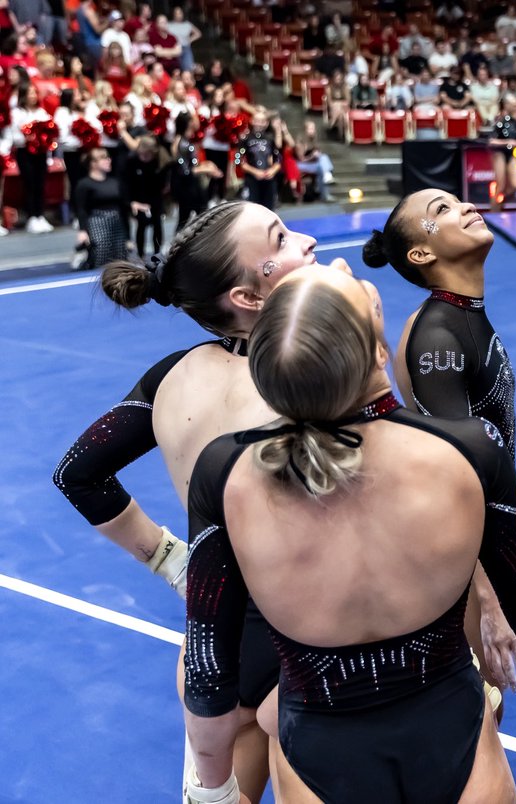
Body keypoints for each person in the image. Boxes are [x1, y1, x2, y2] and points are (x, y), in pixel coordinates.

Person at [182, 265, 516, 803]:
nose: (339, 265)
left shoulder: (225, 472)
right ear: (378, 349)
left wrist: (212, 790)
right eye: (349, 285)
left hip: (318, 750)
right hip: (453, 732)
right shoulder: (466, 450)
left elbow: (209, 663)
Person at [53, 201, 325, 804]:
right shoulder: (320, 377)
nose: (307, 239)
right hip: (315, 645)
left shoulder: (172, 377)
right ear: (248, 296)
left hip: (217, 646)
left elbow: (78, 473)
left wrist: (170, 559)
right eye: (281, 238)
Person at [361, 190, 516, 716]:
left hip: (470, 545)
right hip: (454, 560)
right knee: (473, 720)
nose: (461, 207)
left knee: (476, 717)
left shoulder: (461, 316)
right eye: (439, 211)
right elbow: (454, 481)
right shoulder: (439, 334)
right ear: (421, 255)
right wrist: (490, 599)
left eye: (456, 202)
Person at [73, 148, 126, 271]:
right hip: (97, 223)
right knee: (100, 257)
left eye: (108, 158)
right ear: (93, 163)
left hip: (116, 222)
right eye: (103, 158)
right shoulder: (84, 184)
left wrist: (127, 236)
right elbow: (81, 209)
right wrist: (82, 230)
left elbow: (122, 207)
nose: (108, 161)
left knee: (120, 258)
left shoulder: (114, 182)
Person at [11, 82, 54, 233]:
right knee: (30, 184)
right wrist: (27, 138)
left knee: (40, 184)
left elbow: (49, 129)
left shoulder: (41, 112)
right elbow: (15, 135)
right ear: (23, 95)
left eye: (35, 92)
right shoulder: (17, 113)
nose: (33, 96)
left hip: (41, 152)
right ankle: (31, 217)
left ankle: (40, 215)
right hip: (25, 152)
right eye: (30, 93)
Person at [487, 96, 516, 210]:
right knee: (500, 186)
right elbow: (491, 141)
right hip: (499, 154)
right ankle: (493, 212)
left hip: (510, 153)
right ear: (506, 106)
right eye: (513, 104)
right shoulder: (499, 120)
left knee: (514, 185)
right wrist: (507, 142)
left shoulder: (514, 121)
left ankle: (500, 203)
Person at [125, 134, 167, 258]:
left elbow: (162, 183)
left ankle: (157, 253)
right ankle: (141, 253)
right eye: (142, 154)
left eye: (147, 155)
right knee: (141, 225)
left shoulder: (159, 161)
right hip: (139, 198)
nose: (144, 157)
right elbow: (128, 184)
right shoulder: (132, 161)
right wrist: (132, 202)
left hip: (155, 197)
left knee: (157, 224)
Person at [238, 109, 281, 211]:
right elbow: (239, 160)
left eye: (262, 121)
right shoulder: (245, 139)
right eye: (257, 120)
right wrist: (255, 172)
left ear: (266, 123)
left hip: (268, 179)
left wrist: (273, 170)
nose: (259, 124)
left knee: (269, 210)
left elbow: (278, 159)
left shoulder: (270, 139)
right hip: (252, 179)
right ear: (252, 121)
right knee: (254, 209)